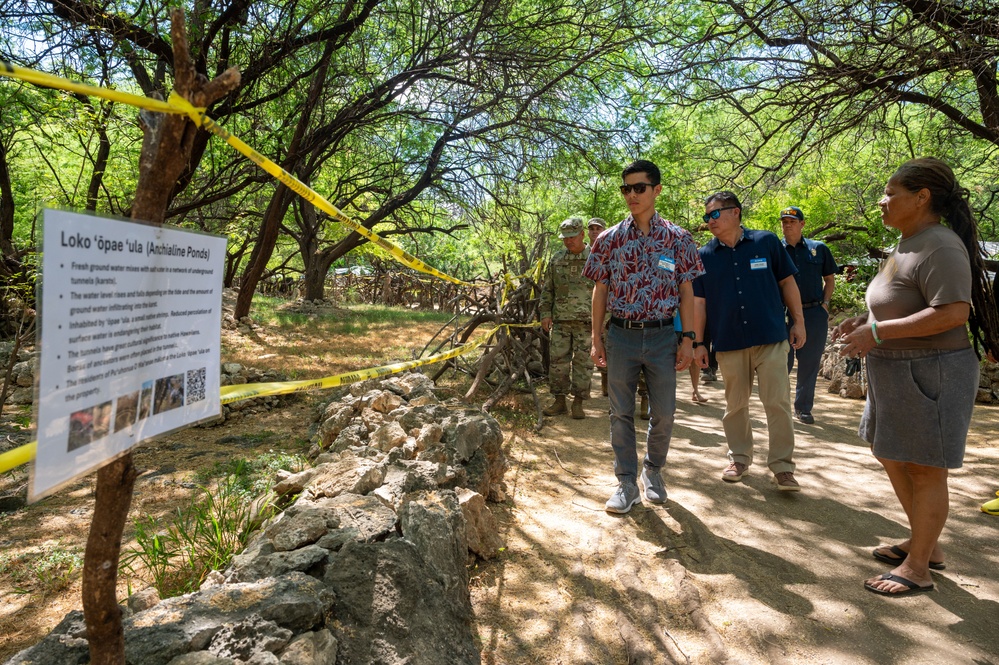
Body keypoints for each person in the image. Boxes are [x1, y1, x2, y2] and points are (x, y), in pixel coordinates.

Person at [832, 157, 999, 596]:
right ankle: (927, 545)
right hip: (893, 371)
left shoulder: (939, 245)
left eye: (891, 194)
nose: (881, 202)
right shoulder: (904, 244)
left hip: (933, 373)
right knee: (889, 453)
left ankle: (919, 568)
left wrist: (878, 331)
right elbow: (894, 300)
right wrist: (860, 320)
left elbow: (952, 312)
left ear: (922, 197)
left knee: (925, 469)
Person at [583, 159, 704, 513]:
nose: (631, 195)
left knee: (664, 412)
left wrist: (689, 339)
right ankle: (625, 483)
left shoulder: (679, 238)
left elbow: (687, 292)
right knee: (619, 413)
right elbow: (599, 291)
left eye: (639, 188)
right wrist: (596, 338)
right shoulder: (608, 239)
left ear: (656, 190)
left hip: (664, 335)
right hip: (621, 335)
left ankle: (653, 472)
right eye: (626, 188)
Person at [692, 191, 806, 491]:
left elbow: (787, 282)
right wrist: (698, 342)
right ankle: (739, 458)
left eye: (714, 214)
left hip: (770, 337)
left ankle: (783, 467)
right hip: (728, 341)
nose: (709, 222)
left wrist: (799, 321)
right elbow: (700, 304)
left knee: (777, 403)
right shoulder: (704, 256)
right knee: (735, 405)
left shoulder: (766, 242)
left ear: (735, 213)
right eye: (707, 217)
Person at [780, 206, 837, 424]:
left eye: (792, 222)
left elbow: (829, 279)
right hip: (783, 314)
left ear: (802, 224)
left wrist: (825, 305)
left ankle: (803, 408)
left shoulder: (819, 249)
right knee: (780, 362)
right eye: (784, 222)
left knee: (809, 363)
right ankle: (780, 407)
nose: (787, 225)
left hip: (813, 312)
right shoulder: (776, 249)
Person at [540, 216, 594, 419]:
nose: (568, 241)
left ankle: (578, 403)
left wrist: (603, 320)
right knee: (558, 363)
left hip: (587, 322)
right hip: (561, 321)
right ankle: (559, 401)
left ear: (582, 234)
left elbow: (605, 291)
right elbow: (548, 290)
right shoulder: (556, 259)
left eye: (572, 236)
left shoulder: (595, 259)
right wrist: (545, 313)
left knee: (583, 364)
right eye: (565, 237)